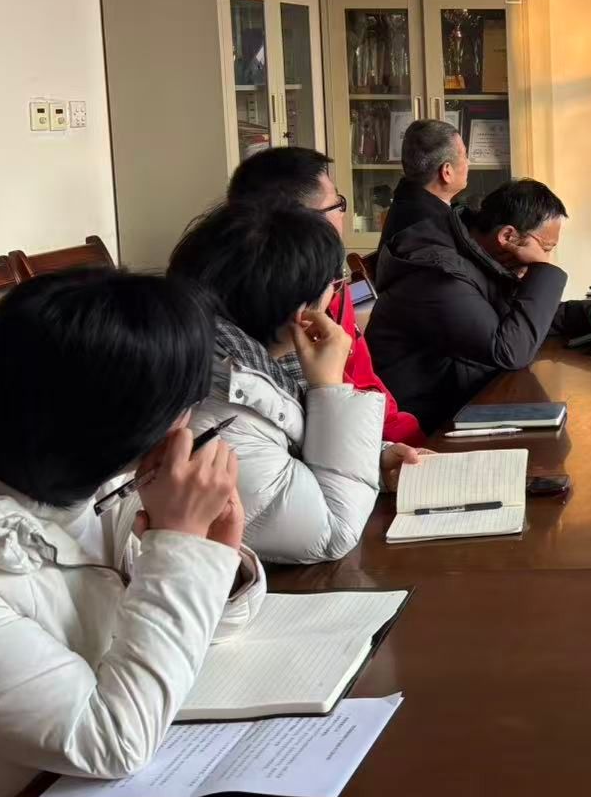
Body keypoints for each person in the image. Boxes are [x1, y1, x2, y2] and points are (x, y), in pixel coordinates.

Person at [0, 270, 265, 797]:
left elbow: (207, 635)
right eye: (182, 407)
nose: (189, 425)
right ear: (118, 426)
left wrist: (215, 557)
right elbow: (114, 742)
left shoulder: (96, 487)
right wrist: (181, 544)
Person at [169, 201, 404, 564]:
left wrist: (377, 456)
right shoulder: (218, 405)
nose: (337, 295)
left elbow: (289, 441)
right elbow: (331, 532)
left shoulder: (242, 361)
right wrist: (330, 390)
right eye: (336, 283)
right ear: (302, 314)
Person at [369, 178, 591, 431]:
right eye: (544, 248)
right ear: (507, 235)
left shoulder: (474, 250)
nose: (545, 258)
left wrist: (588, 313)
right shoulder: (438, 271)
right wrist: (543, 271)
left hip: (466, 397)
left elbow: (511, 316)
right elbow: (508, 349)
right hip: (427, 424)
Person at [227, 146, 425, 447]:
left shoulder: (332, 284)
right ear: (304, 224)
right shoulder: (283, 313)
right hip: (357, 440)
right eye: (338, 204)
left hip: (381, 432)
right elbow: (326, 427)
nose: (343, 213)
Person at [378, 119, 470, 253]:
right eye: (464, 155)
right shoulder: (431, 228)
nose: (468, 162)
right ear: (447, 172)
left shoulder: (407, 202)